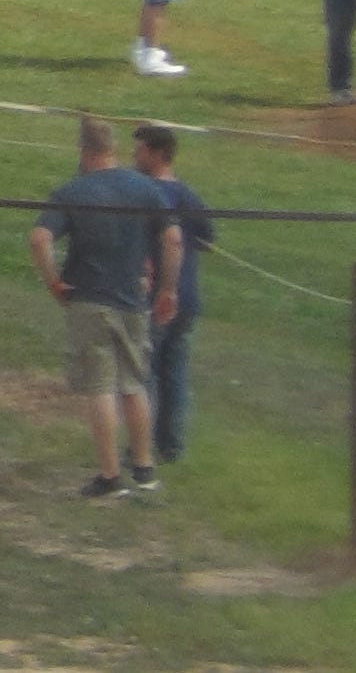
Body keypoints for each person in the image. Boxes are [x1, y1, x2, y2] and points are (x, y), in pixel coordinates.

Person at [27, 117, 181, 500]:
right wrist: (167, 289)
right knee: (133, 385)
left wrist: (53, 282)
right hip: (132, 300)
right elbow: (174, 240)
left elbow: (39, 239)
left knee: (100, 387)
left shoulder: (71, 192)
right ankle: (144, 469)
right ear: (113, 150)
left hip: (89, 299)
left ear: (85, 152)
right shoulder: (145, 189)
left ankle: (110, 476)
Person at [132, 124, 215, 465]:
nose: (134, 156)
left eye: (138, 150)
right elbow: (208, 239)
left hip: (155, 298)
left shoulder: (142, 194)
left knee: (144, 374)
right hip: (188, 298)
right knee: (175, 374)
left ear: (155, 152)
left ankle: (140, 447)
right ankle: (172, 446)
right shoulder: (189, 196)